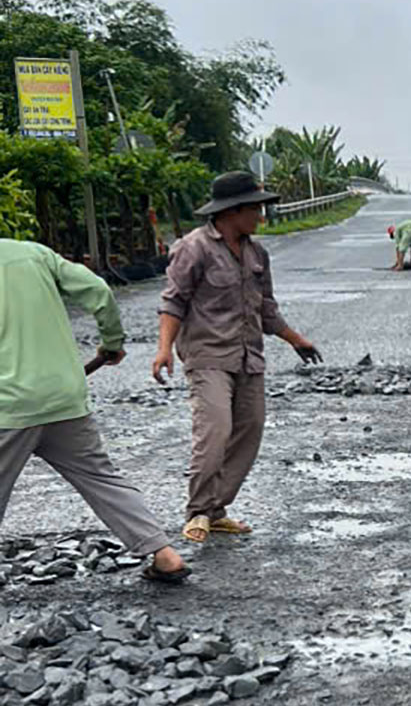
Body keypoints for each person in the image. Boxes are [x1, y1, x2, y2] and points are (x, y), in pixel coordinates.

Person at [0, 238, 189, 583]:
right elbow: (99, 290)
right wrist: (112, 343)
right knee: (101, 478)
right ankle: (164, 554)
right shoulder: (33, 254)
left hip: (8, 407)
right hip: (64, 396)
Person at [154, 171, 323, 544]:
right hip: (207, 355)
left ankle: (216, 510)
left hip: (249, 356)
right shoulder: (193, 248)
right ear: (232, 211)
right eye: (255, 209)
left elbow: (266, 309)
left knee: (250, 432)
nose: (261, 217)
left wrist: (296, 340)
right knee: (214, 431)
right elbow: (173, 301)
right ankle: (197, 511)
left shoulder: (256, 253)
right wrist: (164, 348)